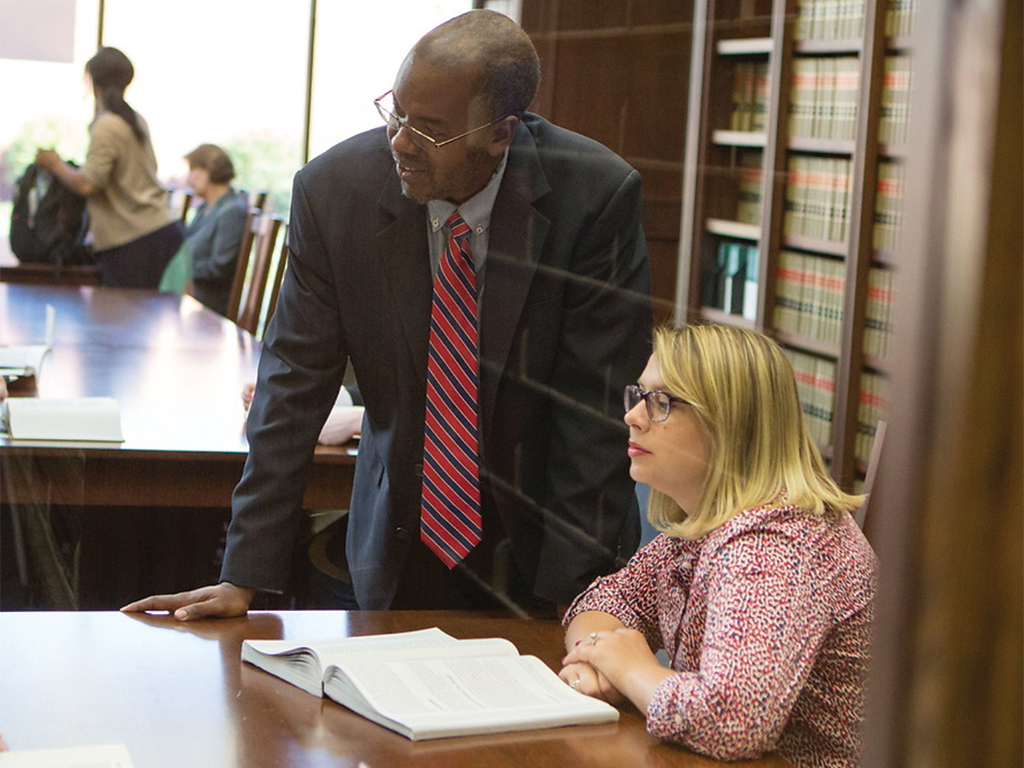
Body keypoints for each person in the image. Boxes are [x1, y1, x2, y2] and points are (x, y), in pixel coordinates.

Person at [122, 10, 651, 619]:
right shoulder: (334, 190)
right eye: (396, 112)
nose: (400, 141)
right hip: (398, 528)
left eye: (429, 129)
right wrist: (244, 573)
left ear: (502, 133)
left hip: (547, 545)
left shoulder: (594, 197)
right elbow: (293, 382)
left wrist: (582, 604)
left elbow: (595, 414)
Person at [559, 324, 878, 767]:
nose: (633, 416)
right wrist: (596, 655)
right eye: (639, 394)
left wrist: (632, 671)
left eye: (661, 403)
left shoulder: (774, 544)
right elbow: (609, 599)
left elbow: (731, 722)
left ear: (730, 424)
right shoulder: (705, 523)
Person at [35, 47, 183, 288]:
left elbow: (89, 183)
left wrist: (55, 165)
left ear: (95, 81)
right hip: (156, 230)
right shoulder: (134, 119)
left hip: (134, 237)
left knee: (120, 319)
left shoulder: (107, 124)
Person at [160, 144, 248, 316]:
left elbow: (220, 268)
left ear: (209, 171)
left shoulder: (232, 211)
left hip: (205, 304)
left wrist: (184, 272)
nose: (189, 179)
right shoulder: (206, 208)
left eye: (193, 170)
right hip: (190, 298)